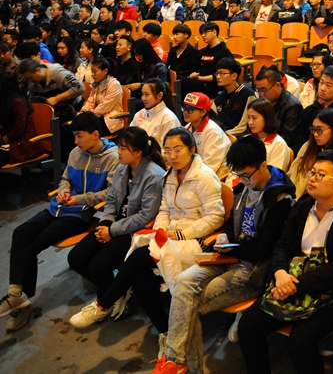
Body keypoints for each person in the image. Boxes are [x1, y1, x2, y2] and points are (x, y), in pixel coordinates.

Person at [153, 136, 295, 373]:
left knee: (188, 305)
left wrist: (233, 247)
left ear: (263, 165)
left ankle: (180, 364)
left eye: (246, 176)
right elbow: (231, 222)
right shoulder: (244, 187)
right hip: (228, 256)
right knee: (182, 283)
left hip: (252, 270)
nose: (243, 181)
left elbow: (264, 248)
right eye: (239, 176)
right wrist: (224, 237)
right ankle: (176, 362)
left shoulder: (281, 199)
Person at [68, 128, 224, 332]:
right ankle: (165, 332)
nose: (172, 156)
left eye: (178, 150)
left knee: (138, 256)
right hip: (169, 236)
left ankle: (103, 304)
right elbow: (164, 209)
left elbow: (215, 217)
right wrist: (159, 230)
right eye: (168, 151)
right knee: (141, 280)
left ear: (192, 149)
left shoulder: (204, 177)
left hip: (195, 240)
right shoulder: (170, 175)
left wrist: (180, 234)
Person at [238, 150, 333, 374]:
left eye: (321, 175)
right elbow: (283, 245)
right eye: (312, 172)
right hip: (290, 280)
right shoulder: (304, 205)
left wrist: (294, 285)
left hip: (332, 291)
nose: (312, 179)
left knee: (299, 343)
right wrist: (280, 273)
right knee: (248, 326)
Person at [0, 113, 118, 330]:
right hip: (57, 208)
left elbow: (110, 193)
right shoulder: (75, 153)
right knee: (21, 233)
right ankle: (16, 294)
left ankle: (21, 302)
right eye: (74, 136)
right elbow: (65, 179)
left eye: (79, 136)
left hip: (78, 214)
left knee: (34, 244)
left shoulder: (112, 158)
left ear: (95, 134)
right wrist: (64, 191)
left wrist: (78, 199)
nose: (75, 141)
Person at [64, 127, 164, 333]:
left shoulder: (154, 176)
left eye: (123, 148)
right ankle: (117, 290)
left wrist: (113, 230)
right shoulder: (122, 168)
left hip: (133, 231)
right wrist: (105, 224)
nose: (118, 152)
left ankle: (106, 299)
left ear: (138, 152)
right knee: (76, 258)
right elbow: (110, 201)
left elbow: (145, 217)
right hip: (114, 225)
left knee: (98, 265)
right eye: (118, 147)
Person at [289, 107, 333, 198]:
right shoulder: (307, 147)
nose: (315, 134)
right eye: (313, 129)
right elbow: (293, 174)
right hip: (297, 198)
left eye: (319, 130)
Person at [254, 66, 304, 153]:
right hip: (259, 145)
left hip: (278, 150)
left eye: (264, 90)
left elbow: (287, 140)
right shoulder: (262, 101)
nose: (261, 94)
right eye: (258, 90)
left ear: (277, 85)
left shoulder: (293, 106)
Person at [0, 71, 44, 167]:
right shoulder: (5, 101)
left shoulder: (17, 103)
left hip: (23, 144)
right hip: (12, 141)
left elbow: (19, 129)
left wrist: (2, 140)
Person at [181, 91, 230, 178]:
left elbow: (210, 166)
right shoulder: (187, 127)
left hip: (215, 176)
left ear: (203, 112)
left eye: (190, 109)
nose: (185, 112)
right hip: (195, 172)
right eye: (184, 107)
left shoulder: (213, 132)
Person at [184, 23, 234, 99]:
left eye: (206, 32)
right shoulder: (201, 52)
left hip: (213, 87)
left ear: (214, 32)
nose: (203, 35)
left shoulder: (224, 52)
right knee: (178, 79)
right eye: (202, 33)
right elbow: (193, 68)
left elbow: (221, 75)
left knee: (181, 82)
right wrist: (193, 74)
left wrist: (199, 78)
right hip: (198, 82)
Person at [77, 56, 124, 136]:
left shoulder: (114, 84)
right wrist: (84, 110)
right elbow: (90, 100)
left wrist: (89, 114)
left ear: (105, 71)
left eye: (95, 71)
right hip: (97, 115)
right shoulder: (96, 83)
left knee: (84, 130)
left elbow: (105, 106)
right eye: (92, 71)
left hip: (110, 120)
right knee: (76, 125)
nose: (92, 74)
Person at [210, 57, 256, 137]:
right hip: (221, 135)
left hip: (240, 137)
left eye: (222, 73)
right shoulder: (219, 97)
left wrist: (224, 135)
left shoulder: (248, 94)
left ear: (234, 76)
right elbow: (211, 120)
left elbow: (244, 126)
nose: (218, 77)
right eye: (217, 73)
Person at [245, 97, 292, 172]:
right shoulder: (246, 139)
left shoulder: (278, 144)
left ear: (267, 118)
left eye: (254, 118)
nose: (250, 122)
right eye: (248, 117)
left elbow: (274, 174)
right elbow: (235, 168)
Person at [130, 78, 181, 146]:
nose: (143, 98)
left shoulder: (169, 118)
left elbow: (168, 148)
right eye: (142, 94)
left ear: (159, 95)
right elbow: (130, 139)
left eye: (147, 94)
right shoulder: (139, 114)